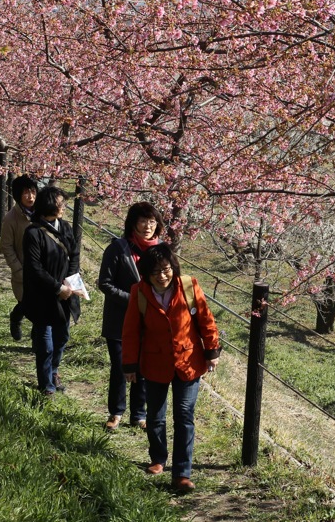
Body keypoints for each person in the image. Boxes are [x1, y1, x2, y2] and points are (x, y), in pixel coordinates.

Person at [122, 243, 221, 493]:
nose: (162, 275)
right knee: (155, 416)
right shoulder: (139, 292)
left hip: (188, 362)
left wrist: (212, 351)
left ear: (173, 268)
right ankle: (158, 458)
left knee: (184, 415)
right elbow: (131, 331)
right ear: (146, 273)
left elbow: (206, 320)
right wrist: (130, 364)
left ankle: (181, 473)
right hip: (154, 363)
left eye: (166, 269)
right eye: (156, 271)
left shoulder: (189, 286)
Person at [99, 202, 165, 430]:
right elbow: (105, 284)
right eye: (143, 221)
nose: (148, 226)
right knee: (120, 366)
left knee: (144, 367)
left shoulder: (161, 250)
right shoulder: (118, 248)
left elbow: (170, 281)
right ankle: (116, 412)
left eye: (152, 222)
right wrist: (134, 300)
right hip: (120, 319)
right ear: (133, 223)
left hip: (150, 321)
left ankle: (139, 413)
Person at [22, 186, 80, 396]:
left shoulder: (64, 227)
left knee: (62, 337)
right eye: (60, 203)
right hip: (43, 297)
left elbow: (74, 254)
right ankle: (46, 385)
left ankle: (54, 371)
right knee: (45, 343)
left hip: (66, 294)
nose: (63, 207)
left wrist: (70, 281)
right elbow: (34, 268)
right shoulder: (33, 233)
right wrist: (57, 288)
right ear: (48, 204)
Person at [1, 175, 39, 341]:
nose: (30, 197)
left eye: (32, 192)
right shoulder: (11, 218)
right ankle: (16, 318)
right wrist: (17, 269)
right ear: (18, 195)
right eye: (25, 193)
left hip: (41, 270)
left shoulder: (43, 213)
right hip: (22, 272)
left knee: (40, 309)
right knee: (27, 305)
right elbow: (6, 246)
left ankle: (38, 344)